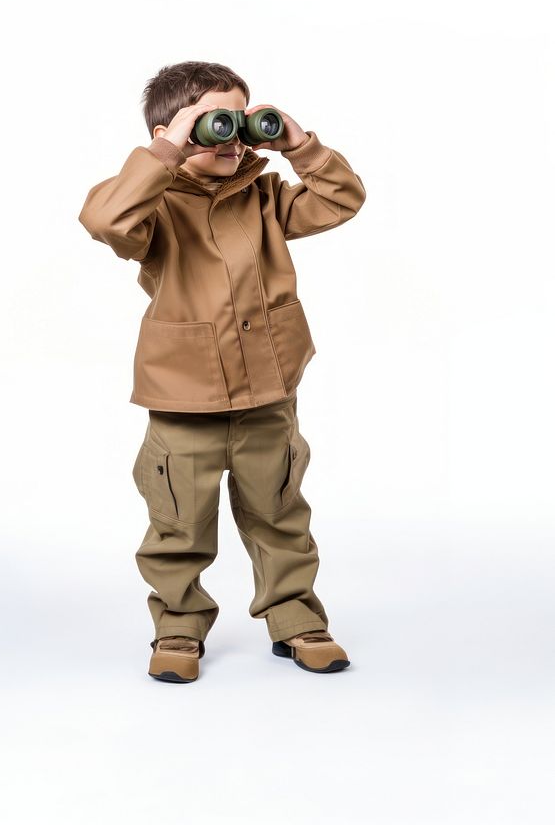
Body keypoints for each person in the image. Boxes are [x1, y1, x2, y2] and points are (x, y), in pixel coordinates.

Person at [78, 61, 367, 682]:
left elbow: (343, 199)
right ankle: (178, 629)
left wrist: (298, 145)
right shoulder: (151, 205)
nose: (234, 138)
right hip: (186, 396)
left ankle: (296, 620)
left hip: (268, 389)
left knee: (281, 513)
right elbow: (104, 221)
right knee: (179, 523)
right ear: (176, 131)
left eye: (240, 120)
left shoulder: (265, 195)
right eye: (215, 123)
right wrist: (163, 152)